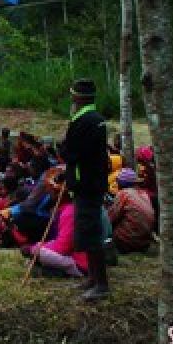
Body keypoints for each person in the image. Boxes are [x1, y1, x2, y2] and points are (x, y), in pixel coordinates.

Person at [60, 78, 111, 301]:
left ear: (78, 98)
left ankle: (101, 284)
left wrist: (63, 149)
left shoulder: (82, 122)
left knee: (91, 234)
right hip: (94, 182)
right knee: (88, 230)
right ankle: (92, 277)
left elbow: (71, 152)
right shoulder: (97, 119)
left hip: (86, 184)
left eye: (73, 95)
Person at [108, 168, 156, 253]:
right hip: (144, 242)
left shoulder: (124, 194)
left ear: (120, 183)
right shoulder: (144, 194)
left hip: (126, 242)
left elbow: (111, 217)